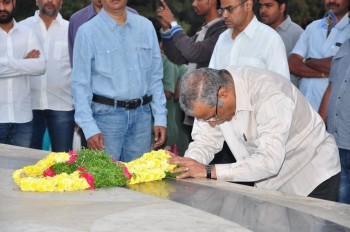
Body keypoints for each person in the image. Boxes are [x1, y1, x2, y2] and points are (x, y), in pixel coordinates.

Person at [169, 66, 340, 202]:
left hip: (310, 174)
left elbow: (269, 161)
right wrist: (187, 166)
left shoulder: (268, 94)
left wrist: (207, 171)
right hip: (268, 183)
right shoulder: (211, 96)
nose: (212, 123)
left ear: (223, 94)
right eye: (205, 119)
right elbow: (204, 142)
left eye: (212, 116)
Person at [72, 0, 167, 162]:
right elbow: (80, 85)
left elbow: (155, 77)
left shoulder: (145, 27)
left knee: (140, 180)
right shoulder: (87, 32)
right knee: (105, 182)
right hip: (105, 119)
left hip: (142, 118)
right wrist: (89, 127)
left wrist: (160, 117)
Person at [68, 0, 138, 149]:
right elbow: (78, 71)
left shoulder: (132, 16)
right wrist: (82, 114)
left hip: (129, 109)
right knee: (98, 168)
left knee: (132, 168)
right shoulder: (77, 20)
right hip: (93, 107)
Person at [156, 0, 227, 147]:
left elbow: (193, 52)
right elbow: (179, 57)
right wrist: (167, 29)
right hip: (198, 110)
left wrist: (174, 24)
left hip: (212, 111)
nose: (194, 4)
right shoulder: (205, 29)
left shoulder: (222, 30)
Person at [20, 0, 74, 152]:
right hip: (29, 106)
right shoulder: (22, 27)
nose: (49, 1)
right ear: (37, 1)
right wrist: (22, 62)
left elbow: (79, 69)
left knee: (63, 162)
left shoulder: (70, 29)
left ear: (61, 3)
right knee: (28, 160)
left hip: (63, 105)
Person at [288, 0, 350, 111]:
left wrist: (305, 61)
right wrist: (323, 73)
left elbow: (338, 65)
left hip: (334, 115)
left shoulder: (348, 31)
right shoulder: (313, 27)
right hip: (304, 109)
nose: (332, 1)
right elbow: (292, 63)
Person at [0, 0, 46, 147]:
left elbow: (40, 66)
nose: (2, 8)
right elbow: (31, 66)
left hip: (23, 118)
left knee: (21, 168)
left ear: (14, 3)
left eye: (6, 2)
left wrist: (6, 62)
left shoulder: (28, 33)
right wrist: (24, 62)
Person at [209, 0, 290, 80]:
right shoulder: (223, 38)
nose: (224, 15)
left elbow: (282, 87)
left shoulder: (270, 39)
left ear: (248, 5)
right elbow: (212, 80)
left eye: (230, 9)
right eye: (222, 10)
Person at [319, 39, 350, 204]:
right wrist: (318, 128)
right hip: (335, 143)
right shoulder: (345, 46)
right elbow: (332, 86)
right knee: (335, 207)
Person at [258, 0, 304, 86]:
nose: (262, 10)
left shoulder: (297, 34)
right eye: (261, 6)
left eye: (268, 5)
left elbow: (302, 72)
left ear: (282, 7)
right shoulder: (257, 33)